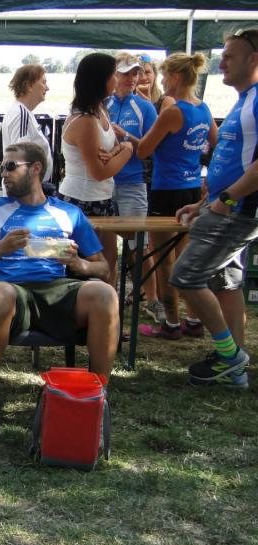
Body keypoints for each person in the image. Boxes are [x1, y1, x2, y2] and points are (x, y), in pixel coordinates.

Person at [0, 141, 119, 444]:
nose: (3, 173)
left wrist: (79, 264)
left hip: (57, 289)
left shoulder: (68, 213)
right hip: (13, 290)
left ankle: (95, 402)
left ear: (35, 169)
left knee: (105, 295)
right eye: (2, 167)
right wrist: (1, 247)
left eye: (10, 166)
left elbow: (103, 269)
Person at [171, 28, 258, 388]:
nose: (221, 63)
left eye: (230, 56)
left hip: (237, 210)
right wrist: (203, 201)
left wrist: (228, 199)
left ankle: (230, 355)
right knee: (226, 284)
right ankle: (234, 371)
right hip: (225, 205)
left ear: (254, 59)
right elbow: (234, 159)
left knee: (185, 276)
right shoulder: (244, 99)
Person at [136, 53, 218, 340]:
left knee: (164, 260)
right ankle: (193, 320)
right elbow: (217, 143)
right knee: (186, 258)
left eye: (163, 75)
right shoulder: (203, 108)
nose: (161, 81)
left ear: (176, 77)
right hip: (192, 188)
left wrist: (131, 136)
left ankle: (170, 324)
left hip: (166, 191)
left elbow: (144, 150)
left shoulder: (173, 111)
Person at [59, 52, 135, 287]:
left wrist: (117, 151)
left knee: (109, 265)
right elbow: (99, 172)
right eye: (114, 74)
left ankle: (109, 308)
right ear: (100, 80)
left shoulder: (100, 111)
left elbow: (112, 148)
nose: (117, 79)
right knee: (86, 269)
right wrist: (128, 151)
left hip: (102, 197)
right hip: (82, 200)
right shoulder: (85, 120)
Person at [106, 53, 164, 323]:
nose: (132, 78)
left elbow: (149, 150)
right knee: (105, 247)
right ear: (114, 75)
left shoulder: (145, 108)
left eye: (136, 73)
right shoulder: (102, 104)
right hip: (104, 184)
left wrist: (126, 136)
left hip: (132, 184)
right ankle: (107, 299)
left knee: (138, 246)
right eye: (126, 73)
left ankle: (152, 300)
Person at [2, 64, 53, 186]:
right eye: (43, 82)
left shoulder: (22, 112)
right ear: (29, 85)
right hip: (24, 191)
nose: (47, 88)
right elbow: (20, 159)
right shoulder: (21, 114)